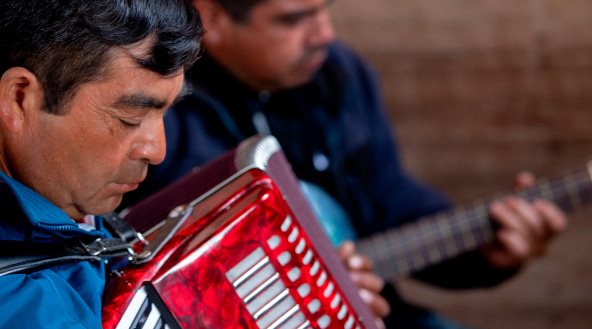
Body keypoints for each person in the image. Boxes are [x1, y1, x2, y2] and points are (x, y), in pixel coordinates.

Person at [121, 0, 568, 328]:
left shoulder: (340, 73)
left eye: (325, 9)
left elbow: (390, 202)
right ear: (212, 19)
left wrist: (484, 253)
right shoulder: (158, 99)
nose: (324, 34)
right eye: (294, 19)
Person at [0, 1, 388, 328]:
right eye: (130, 118)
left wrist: (303, 293)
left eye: (165, 113)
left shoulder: (64, 204)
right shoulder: (31, 308)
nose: (157, 150)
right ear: (19, 99)